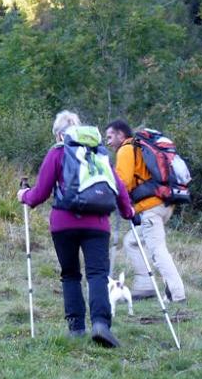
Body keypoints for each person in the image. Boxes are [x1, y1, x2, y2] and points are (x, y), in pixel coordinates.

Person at [18, 111, 134, 347]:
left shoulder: (57, 152)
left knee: (70, 274)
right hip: (98, 224)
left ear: (60, 134)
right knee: (98, 275)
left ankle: (76, 329)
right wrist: (129, 212)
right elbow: (119, 188)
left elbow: (39, 194)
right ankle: (101, 324)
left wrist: (24, 195)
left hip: (64, 224)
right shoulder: (98, 153)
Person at [104, 119, 187, 304]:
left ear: (120, 134)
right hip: (163, 204)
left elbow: (122, 182)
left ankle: (177, 294)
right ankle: (145, 285)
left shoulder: (126, 149)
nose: (108, 142)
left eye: (110, 137)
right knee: (132, 242)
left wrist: (109, 194)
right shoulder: (139, 148)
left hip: (150, 207)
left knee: (158, 250)